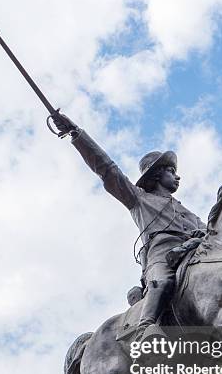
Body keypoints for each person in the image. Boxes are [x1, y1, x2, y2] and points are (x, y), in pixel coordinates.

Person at [51, 113, 207, 342]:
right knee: (163, 281)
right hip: (161, 254)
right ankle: (145, 328)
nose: (178, 176)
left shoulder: (186, 211)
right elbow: (107, 169)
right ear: (156, 175)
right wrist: (77, 134)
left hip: (193, 251)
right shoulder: (138, 199)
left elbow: (210, 231)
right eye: (171, 171)